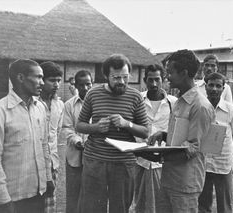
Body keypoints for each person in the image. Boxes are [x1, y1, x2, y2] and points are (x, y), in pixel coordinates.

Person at [76, 54, 149, 213]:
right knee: (92, 208)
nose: (121, 82)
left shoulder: (135, 96)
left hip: (123, 163)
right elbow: (79, 126)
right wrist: (96, 127)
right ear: (106, 76)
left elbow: (145, 131)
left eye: (125, 77)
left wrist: (126, 124)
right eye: (116, 77)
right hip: (95, 161)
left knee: (120, 208)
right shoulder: (93, 94)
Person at [148, 49, 215, 213]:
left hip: (185, 184)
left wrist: (159, 154)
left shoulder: (200, 106)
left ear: (184, 73)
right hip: (169, 179)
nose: (167, 77)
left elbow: (194, 146)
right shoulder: (179, 101)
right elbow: (180, 136)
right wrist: (163, 135)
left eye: (170, 72)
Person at [0, 59, 53, 213]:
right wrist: (3, 197)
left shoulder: (40, 108)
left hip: (38, 192)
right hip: (13, 198)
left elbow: (44, 145)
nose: (42, 83)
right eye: (37, 77)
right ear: (20, 78)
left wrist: (48, 178)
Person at [134, 64, 177, 213]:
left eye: (157, 80)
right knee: (139, 204)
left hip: (163, 163)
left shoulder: (174, 102)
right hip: (140, 160)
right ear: (145, 80)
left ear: (163, 80)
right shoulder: (137, 99)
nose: (153, 84)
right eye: (150, 80)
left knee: (162, 205)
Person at [198, 72, 233, 213]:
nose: (214, 89)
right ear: (205, 87)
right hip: (203, 162)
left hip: (223, 163)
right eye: (211, 85)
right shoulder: (199, 108)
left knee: (225, 205)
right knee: (203, 204)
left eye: (218, 86)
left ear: (223, 88)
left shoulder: (232, 111)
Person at [62, 70, 93, 213]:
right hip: (74, 156)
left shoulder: (98, 103)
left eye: (88, 84)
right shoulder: (69, 105)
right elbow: (67, 128)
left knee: (91, 195)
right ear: (76, 86)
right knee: (73, 194)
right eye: (81, 85)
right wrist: (77, 141)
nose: (85, 88)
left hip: (94, 157)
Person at [39, 61, 64, 213]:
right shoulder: (33, 103)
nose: (56, 84)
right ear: (42, 80)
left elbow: (57, 133)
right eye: (52, 80)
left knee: (49, 205)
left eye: (58, 81)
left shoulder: (59, 105)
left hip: (52, 162)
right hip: (34, 163)